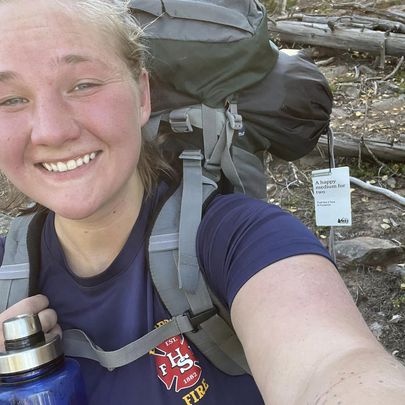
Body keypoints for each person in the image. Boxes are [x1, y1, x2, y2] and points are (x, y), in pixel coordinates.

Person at [1, 0, 405, 404]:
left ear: (142, 94)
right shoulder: (6, 278)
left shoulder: (238, 240)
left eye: (83, 84)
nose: (51, 132)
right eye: (10, 100)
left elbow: (332, 365)